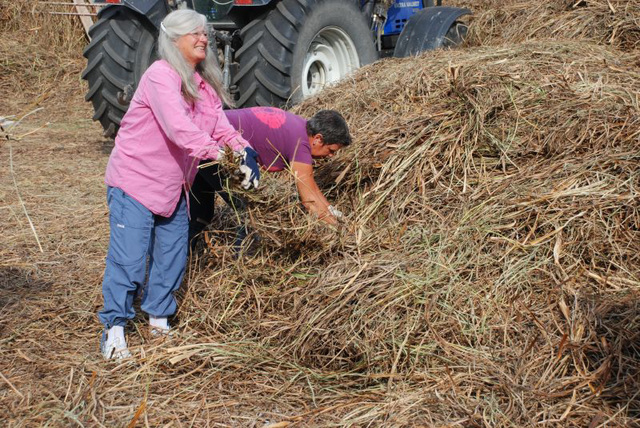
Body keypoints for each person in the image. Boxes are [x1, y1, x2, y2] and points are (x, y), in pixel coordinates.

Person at [98, 9, 260, 360]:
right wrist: (221, 155)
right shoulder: (160, 76)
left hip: (173, 188)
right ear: (173, 41)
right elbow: (179, 129)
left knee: (171, 257)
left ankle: (158, 321)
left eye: (205, 33)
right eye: (195, 34)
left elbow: (220, 126)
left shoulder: (203, 85)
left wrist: (245, 152)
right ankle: (114, 330)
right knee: (129, 260)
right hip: (136, 182)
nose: (204, 39)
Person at [189, 107, 351, 244]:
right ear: (318, 139)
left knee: (200, 214)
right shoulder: (300, 144)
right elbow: (309, 201)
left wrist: (334, 213)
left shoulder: (300, 128)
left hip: (201, 137)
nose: (331, 156)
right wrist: (340, 231)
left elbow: (312, 187)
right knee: (250, 211)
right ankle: (245, 264)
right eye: (331, 150)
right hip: (217, 149)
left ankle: (180, 262)